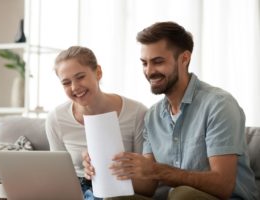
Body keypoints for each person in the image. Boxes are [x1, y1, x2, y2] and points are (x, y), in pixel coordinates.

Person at [83, 22, 259, 200]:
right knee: (115, 198)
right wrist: (103, 171)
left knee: (182, 194)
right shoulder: (153, 116)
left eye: (158, 62)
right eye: (144, 63)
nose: (149, 71)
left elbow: (223, 185)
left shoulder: (219, 105)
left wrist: (158, 170)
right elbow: (147, 187)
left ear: (184, 59)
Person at [45, 46, 147, 200]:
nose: (74, 87)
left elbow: (147, 184)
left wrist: (106, 169)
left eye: (80, 77)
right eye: (66, 83)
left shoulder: (137, 112)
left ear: (98, 72)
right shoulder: (56, 119)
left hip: (118, 193)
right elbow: (57, 177)